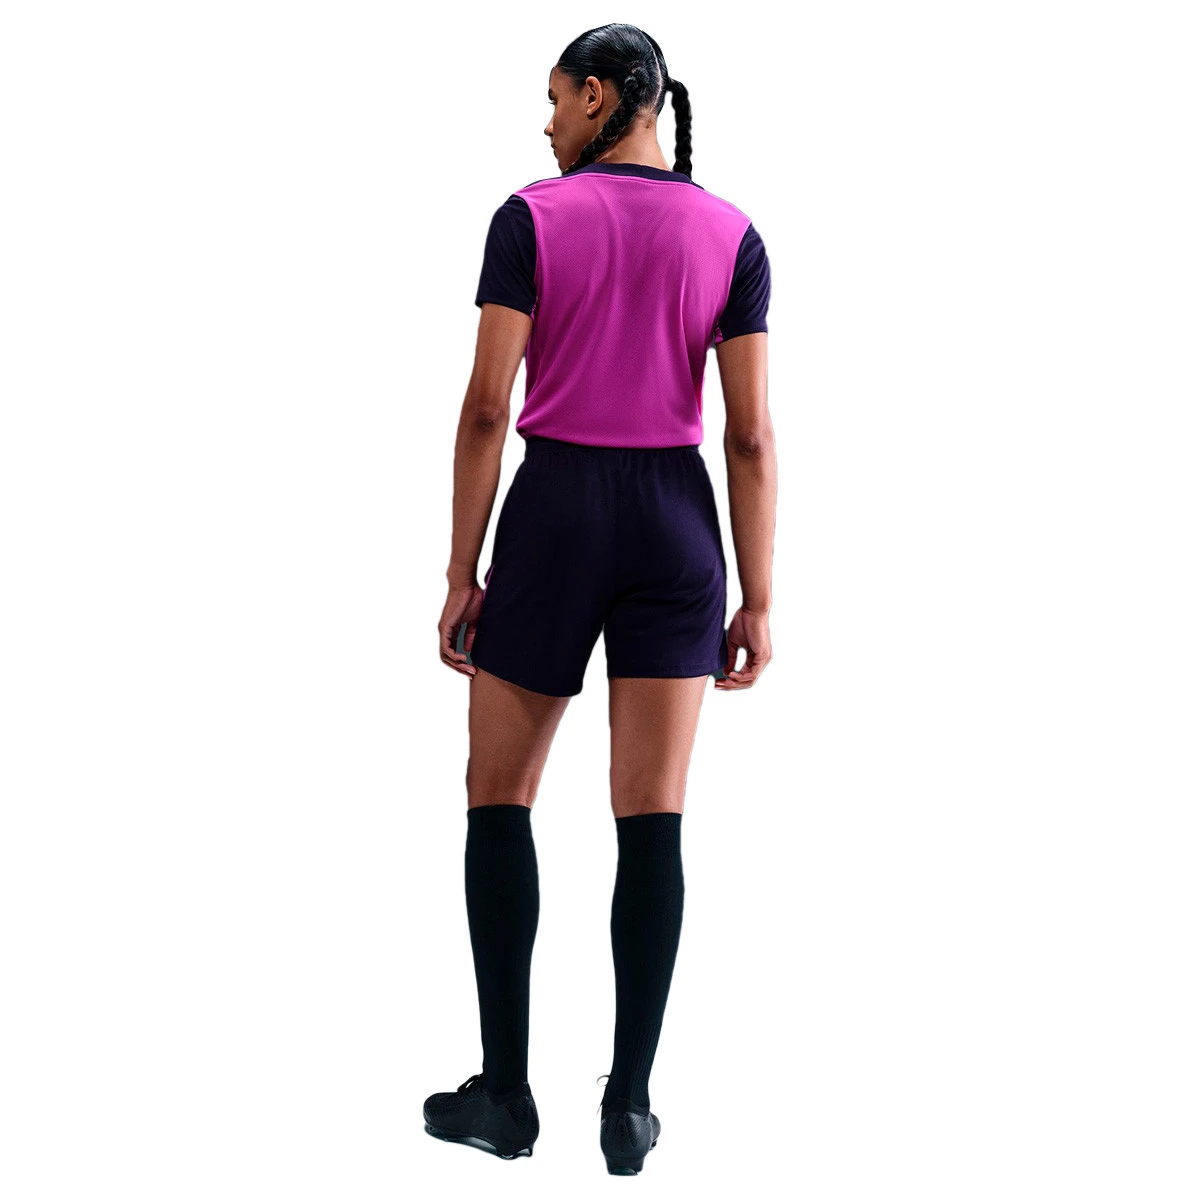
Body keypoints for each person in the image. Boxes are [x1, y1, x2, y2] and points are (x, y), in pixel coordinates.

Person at [426, 23, 776, 1176]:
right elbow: (750, 436)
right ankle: (628, 1106)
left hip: (558, 510)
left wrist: (461, 569)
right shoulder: (732, 233)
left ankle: (506, 1095)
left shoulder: (531, 218)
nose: (545, 124)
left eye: (554, 99)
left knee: (498, 797)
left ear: (598, 95)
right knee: (653, 815)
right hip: (676, 521)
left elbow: (488, 405)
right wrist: (758, 597)